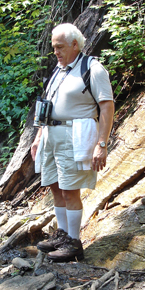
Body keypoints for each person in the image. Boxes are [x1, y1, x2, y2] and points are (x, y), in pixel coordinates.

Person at [30, 23, 114, 262]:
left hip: (73, 136)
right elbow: (47, 107)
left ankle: (74, 243)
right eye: (53, 47)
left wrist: (102, 144)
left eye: (60, 47)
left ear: (75, 45)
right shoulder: (60, 70)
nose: (56, 51)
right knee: (55, 186)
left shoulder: (93, 69)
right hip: (50, 136)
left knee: (69, 190)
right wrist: (38, 137)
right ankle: (63, 235)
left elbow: (107, 105)